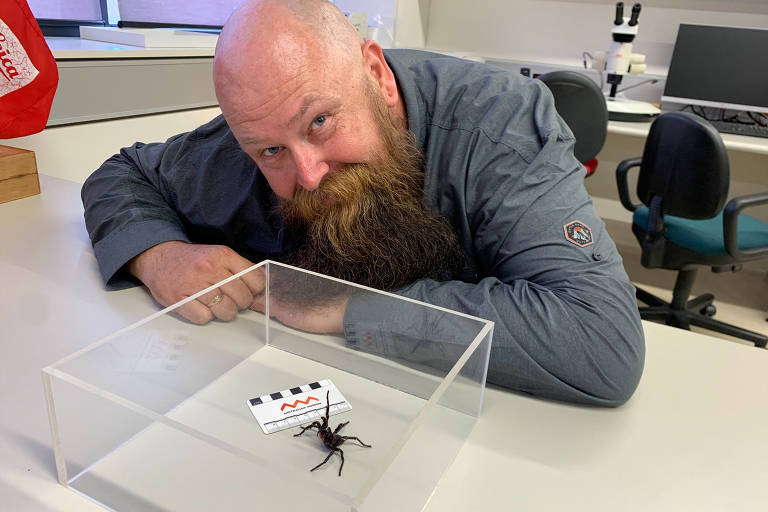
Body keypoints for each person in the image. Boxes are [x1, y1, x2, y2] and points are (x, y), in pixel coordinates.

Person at [81, 0, 645, 406]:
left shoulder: (499, 128)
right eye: (272, 150)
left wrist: (345, 306)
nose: (308, 172)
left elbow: (599, 340)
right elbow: (123, 172)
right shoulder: (247, 141)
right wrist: (158, 253)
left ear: (375, 75)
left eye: (321, 122)